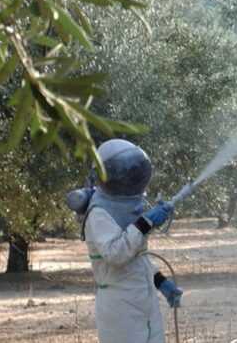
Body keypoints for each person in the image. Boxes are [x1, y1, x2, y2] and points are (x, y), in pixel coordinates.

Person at [66, 138, 183, 343]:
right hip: (120, 305)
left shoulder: (126, 207)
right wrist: (145, 222)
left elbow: (138, 258)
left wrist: (161, 282)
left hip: (143, 299)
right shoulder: (98, 213)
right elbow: (116, 254)